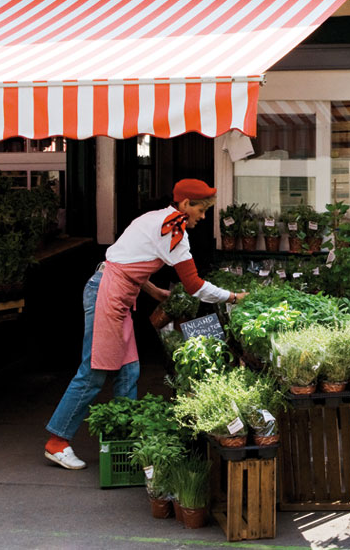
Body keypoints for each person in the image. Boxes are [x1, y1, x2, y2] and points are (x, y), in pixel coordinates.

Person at [44, 179, 247, 469]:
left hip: (115, 292)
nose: (203, 217)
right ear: (186, 204)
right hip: (108, 295)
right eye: (201, 210)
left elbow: (125, 260)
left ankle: (125, 443)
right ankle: (57, 442)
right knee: (93, 373)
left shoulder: (154, 218)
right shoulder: (173, 231)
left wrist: (154, 292)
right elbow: (194, 285)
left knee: (129, 372)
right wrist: (233, 297)